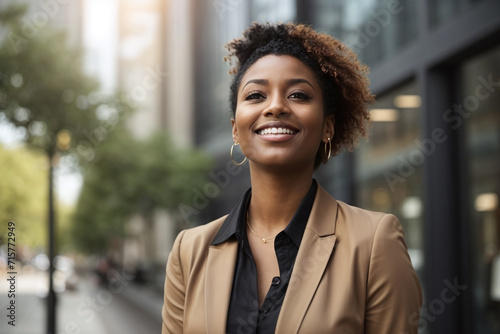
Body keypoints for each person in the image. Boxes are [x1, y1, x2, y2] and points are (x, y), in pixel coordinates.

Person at [162, 22, 422, 334]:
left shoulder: (374, 243)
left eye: (298, 94)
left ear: (328, 127)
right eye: (256, 95)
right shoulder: (189, 251)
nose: (275, 107)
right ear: (235, 128)